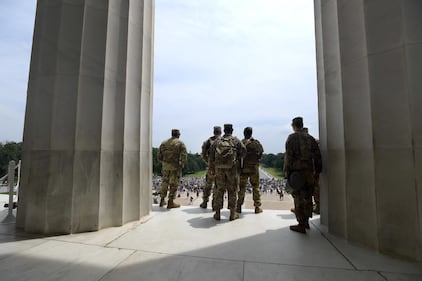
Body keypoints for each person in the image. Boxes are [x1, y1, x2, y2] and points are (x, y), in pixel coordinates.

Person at [284, 117, 322, 233]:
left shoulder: (292, 138)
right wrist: (318, 172)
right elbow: (317, 157)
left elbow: (288, 157)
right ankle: (306, 222)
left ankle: (301, 223)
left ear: (294, 126)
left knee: (299, 198)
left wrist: (287, 172)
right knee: (308, 196)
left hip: (297, 172)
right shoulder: (310, 138)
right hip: (309, 171)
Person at [208, 124, 246, 221]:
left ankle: (217, 213)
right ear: (232, 130)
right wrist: (236, 158)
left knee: (219, 190)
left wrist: (212, 169)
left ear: (224, 130)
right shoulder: (236, 141)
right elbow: (244, 152)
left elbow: (211, 156)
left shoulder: (217, 141)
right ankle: (232, 214)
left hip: (219, 169)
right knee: (232, 190)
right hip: (232, 169)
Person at [236, 127, 264, 214]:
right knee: (255, 187)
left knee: (241, 188)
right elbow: (261, 153)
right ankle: (257, 207)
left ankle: (239, 206)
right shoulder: (256, 143)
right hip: (254, 168)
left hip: (243, 168)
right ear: (251, 133)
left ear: (244, 133)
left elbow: (237, 156)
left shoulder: (240, 143)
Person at [157, 129, 187, 209]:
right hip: (175, 167)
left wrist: (165, 163)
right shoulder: (180, 143)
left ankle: (162, 200)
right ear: (178, 135)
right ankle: (170, 202)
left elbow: (159, 156)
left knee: (164, 183)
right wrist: (181, 164)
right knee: (173, 184)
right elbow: (184, 156)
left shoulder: (164, 142)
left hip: (165, 166)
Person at [199, 126, 222, 209]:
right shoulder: (223, 141)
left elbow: (203, 154)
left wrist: (208, 162)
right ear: (220, 132)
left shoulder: (208, 141)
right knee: (217, 186)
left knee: (208, 185)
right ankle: (214, 204)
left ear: (214, 132)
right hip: (220, 168)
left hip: (211, 167)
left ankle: (205, 202)